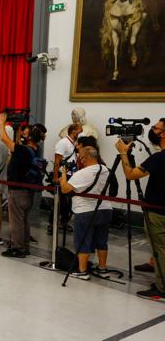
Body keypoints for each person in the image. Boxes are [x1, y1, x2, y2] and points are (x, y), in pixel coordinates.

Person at [115, 118, 165, 301]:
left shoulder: (159, 158)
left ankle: (162, 288)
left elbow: (130, 175)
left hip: (157, 213)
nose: (152, 131)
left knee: (160, 250)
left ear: (163, 134)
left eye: (156, 128)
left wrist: (123, 153)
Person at [59, 146, 113, 280]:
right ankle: (102, 269)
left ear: (85, 158)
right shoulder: (105, 169)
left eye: (80, 157)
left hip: (85, 211)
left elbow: (65, 189)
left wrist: (63, 176)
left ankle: (82, 271)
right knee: (102, 241)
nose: (79, 159)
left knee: (83, 240)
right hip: (105, 209)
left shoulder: (82, 174)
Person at [0, 113, 46, 258]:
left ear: (30, 137)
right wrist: (18, 131)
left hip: (18, 191)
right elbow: (18, 144)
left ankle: (17, 248)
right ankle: (24, 246)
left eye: (27, 133)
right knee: (24, 219)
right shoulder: (35, 149)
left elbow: (5, 139)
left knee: (16, 221)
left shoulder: (23, 150)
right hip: (28, 190)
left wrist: (2, 123)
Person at [50, 123, 83, 235]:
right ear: (74, 131)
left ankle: (64, 222)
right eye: (80, 131)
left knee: (68, 201)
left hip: (72, 175)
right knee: (61, 201)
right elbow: (57, 160)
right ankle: (52, 223)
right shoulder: (63, 143)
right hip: (63, 175)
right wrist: (55, 176)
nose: (80, 133)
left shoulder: (73, 143)